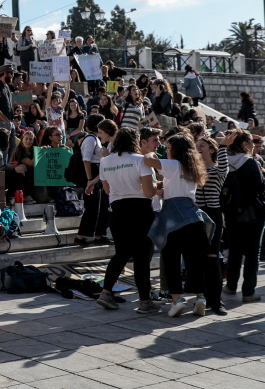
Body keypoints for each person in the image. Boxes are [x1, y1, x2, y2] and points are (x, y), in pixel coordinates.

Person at [145, 134, 213, 317]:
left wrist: (151, 153)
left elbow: (148, 161)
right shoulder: (192, 167)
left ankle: (177, 300)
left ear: (176, 150)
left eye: (168, 148)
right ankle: (200, 298)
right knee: (193, 261)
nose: (166, 151)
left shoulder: (173, 164)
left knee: (171, 261)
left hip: (173, 218)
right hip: (193, 216)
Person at [96, 127, 159, 313]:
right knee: (141, 257)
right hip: (141, 211)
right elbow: (149, 192)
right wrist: (158, 186)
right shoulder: (141, 160)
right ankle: (145, 301)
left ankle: (106, 292)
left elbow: (107, 190)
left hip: (117, 211)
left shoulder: (105, 161)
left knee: (121, 253)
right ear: (135, 141)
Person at [222, 131, 265, 302]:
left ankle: (231, 286)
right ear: (244, 144)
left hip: (231, 213)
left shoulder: (224, 162)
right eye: (250, 142)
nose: (252, 145)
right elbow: (259, 188)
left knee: (234, 250)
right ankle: (248, 292)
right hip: (253, 213)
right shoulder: (250, 163)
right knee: (252, 253)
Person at [196, 134, 233, 315]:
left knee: (212, 256)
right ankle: (201, 298)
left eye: (202, 145)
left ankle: (216, 301)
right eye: (197, 145)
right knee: (199, 258)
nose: (198, 148)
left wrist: (223, 146)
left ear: (211, 150)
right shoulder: (193, 169)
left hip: (212, 214)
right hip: (197, 215)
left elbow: (224, 167)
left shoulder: (218, 169)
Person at [75, 116, 115, 245]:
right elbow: (86, 160)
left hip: (97, 172)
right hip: (92, 173)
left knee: (101, 206)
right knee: (92, 207)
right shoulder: (90, 139)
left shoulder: (96, 139)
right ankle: (80, 236)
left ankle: (99, 234)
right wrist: (90, 179)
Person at [6, 130, 37, 203]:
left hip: (30, 179)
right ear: (22, 140)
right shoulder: (19, 151)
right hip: (15, 177)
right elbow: (30, 163)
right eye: (26, 139)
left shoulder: (33, 151)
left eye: (30, 139)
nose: (28, 141)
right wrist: (41, 152)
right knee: (23, 168)